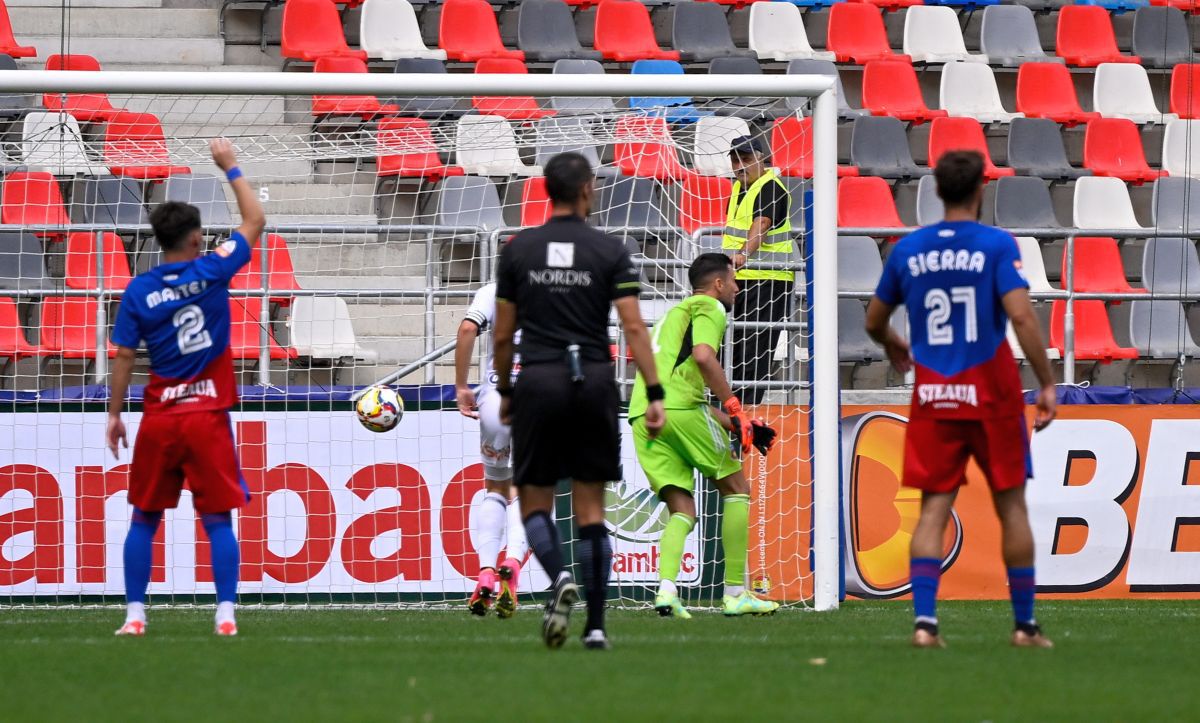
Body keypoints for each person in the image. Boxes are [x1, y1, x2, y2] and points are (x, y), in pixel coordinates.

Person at [864, 150, 1057, 650]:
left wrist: (892, 344)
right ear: (980, 190)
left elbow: (872, 320)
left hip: (935, 395)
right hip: (991, 395)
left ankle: (925, 626)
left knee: (931, 510)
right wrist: (1048, 382)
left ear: (936, 190)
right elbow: (1022, 317)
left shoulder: (910, 250)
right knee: (1011, 508)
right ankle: (1025, 627)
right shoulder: (995, 244)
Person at [492, 152, 666, 651]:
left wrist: (506, 389)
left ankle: (559, 576)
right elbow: (634, 327)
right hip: (592, 381)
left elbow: (503, 336)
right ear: (588, 189)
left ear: (546, 192)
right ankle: (595, 628)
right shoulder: (609, 250)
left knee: (533, 500)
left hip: (540, 381)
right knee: (592, 510)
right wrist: (653, 393)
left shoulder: (519, 250)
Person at [106, 139, 265, 637]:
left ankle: (135, 616)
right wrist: (230, 166)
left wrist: (114, 414)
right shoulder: (212, 269)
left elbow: (126, 356)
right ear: (196, 239)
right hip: (207, 415)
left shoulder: (139, 290)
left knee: (143, 519)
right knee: (217, 520)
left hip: (160, 418)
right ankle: (225, 615)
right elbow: (255, 221)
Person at [628, 253, 780, 620]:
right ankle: (734, 594)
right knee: (737, 489)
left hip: (643, 415)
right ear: (717, 284)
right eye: (733, 281)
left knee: (682, 509)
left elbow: (684, 395)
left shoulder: (671, 316)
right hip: (679, 410)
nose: (737, 288)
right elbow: (702, 357)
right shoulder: (710, 307)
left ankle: (665, 591)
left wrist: (735, 425)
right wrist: (735, 408)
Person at [454, 282, 528, 618]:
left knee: (496, 486)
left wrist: (460, 384)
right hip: (539, 397)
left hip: (495, 399)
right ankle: (511, 563)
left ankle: (485, 571)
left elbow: (469, 327)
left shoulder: (493, 289)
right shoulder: (554, 291)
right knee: (530, 491)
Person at [722, 136, 793, 405]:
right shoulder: (739, 188)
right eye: (735, 160)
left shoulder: (771, 187)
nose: (740, 165)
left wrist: (743, 254)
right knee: (734, 343)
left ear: (762, 159)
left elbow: (761, 224)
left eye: (747, 159)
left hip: (768, 279)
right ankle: (731, 402)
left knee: (754, 348)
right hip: (741, 278)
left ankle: (749, 406)